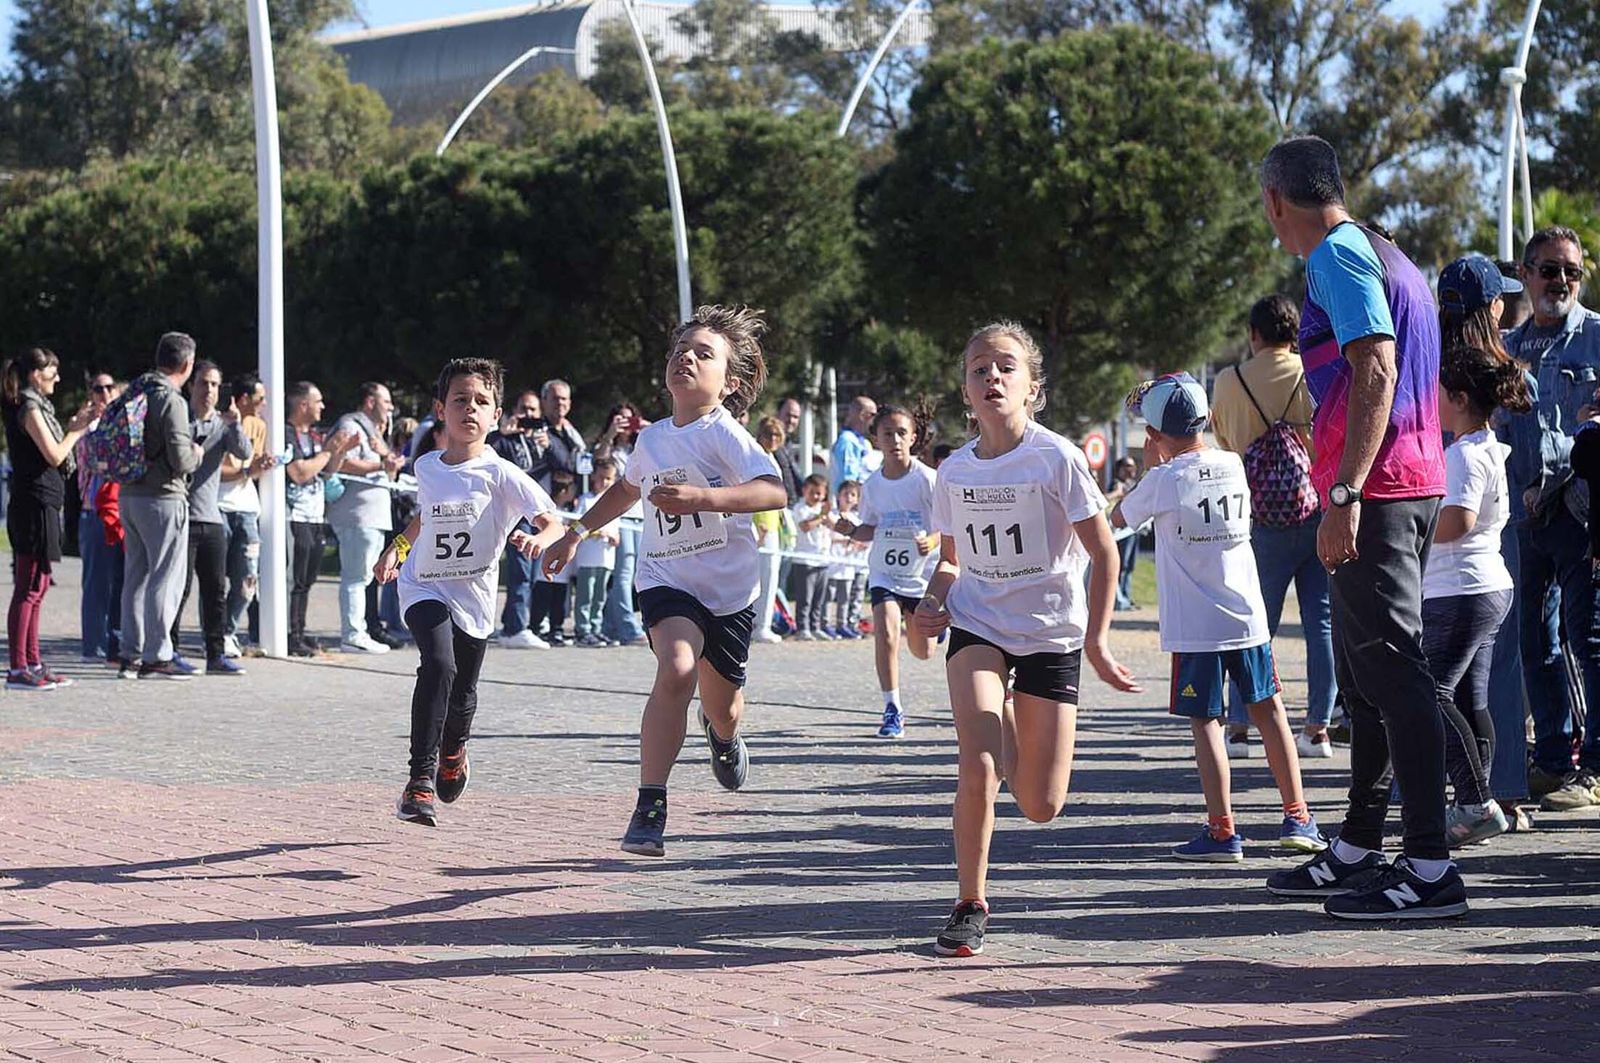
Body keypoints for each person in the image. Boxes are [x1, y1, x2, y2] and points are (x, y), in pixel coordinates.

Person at [1257, 135, 1464, 920]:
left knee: (1394, 674)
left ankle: (1431, 866)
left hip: (1376, 491)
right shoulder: (1381, 249)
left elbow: (1376, 364)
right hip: (1403, 482)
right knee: (1369, 676)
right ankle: (1358, 846)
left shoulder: (1338, 256)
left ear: (1278, 201)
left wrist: (1344, 490)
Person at [915, 321, 1139, 958]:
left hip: (1050, 635)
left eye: (1006, 367)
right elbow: (952, 564)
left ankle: (1012, 708)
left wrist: (1096, 642)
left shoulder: (1056, 458)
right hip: (979, 627)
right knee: (978, 761)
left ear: (1031, 387)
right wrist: (931, 604)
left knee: (1040, 804)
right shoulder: (953, 472)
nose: (992, 377)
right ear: (965, 388)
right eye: (980, 368)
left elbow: (1104, 553)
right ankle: (969, 902)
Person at [541, 304, 785, 858]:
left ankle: (721, 736)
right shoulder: (651, 440)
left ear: (730, 383)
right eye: (681, 350)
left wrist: (705, 498)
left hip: (730, 592)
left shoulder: (724, 433)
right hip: (666, 577)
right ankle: (650, 805)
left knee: (723, 704)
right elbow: (628, 490)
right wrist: (576, 531)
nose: (688, 359)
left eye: (705, 354)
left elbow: (773, 491)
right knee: (676, 669)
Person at [1112, 372, 1324, 861]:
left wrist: (1151, 470)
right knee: (1270, 712)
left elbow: (1118, 521)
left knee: (1207, 723)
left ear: (1155, 435)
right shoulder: (1233, 463)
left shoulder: (1162, 480)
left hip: (1195, 626)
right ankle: (1298, 816)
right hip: (1246, 615)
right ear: (1205, 419)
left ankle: (1223, 829)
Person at [374, 358, 565, 826]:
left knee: (462, 693)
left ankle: (454, 749)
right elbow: (427, 516)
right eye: (460, 399)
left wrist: (539, 540)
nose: (470, 409)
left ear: (496, 415)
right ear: (441, 408)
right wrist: (397, 548)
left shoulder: (502, 474)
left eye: (481, 401)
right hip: (424, 585)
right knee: (437, 664)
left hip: (474, 596)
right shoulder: (427, 465)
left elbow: (552, 521)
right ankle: (418, 783)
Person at [1211, 294, 1337, 760]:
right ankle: (1318, 728)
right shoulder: (1314, 372)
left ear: (1254, 334)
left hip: (1256, 516)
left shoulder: (1229, 381)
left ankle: (1241, 726)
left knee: (1251, 625)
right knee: (1320, 624)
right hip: (1317, 510)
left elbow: (1224, 441)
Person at [1503, 226, 1600, 812]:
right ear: (1525, 273)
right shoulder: (1509, 347)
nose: (1558, 281)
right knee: (1534, 641)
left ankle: (1593, 769)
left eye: (1569, 271)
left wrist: (1557, 475)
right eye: (1547, 269)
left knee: (1590, 643)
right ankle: (1553, 757)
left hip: (1585, 516)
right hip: (1522, 518)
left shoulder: (1596, 337)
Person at [1425, 343, 1530, 846]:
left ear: (1461, 398)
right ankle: (1476, 806)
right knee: (1468, 699)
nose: (1435, 402)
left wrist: (1415, 527)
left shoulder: (1464, 454)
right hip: (1486, 587)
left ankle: (1474, 803)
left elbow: (1458, 522)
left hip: (1461, 590)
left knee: (1430, 693)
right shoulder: (1486, 446)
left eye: (1441, 394)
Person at [833, 402, 940, 738]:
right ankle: (892, 708)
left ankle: (933, 631)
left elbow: (948, 527)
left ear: (913, 438)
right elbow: (871, 527)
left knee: (923, 651)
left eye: (901, 433)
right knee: (887, 633)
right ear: (876, 439)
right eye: (887, 434)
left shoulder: (927, 480)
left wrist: (933, 541)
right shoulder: (873, 484)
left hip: (921, 576)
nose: (894, 440)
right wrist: (850, 530)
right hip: (884, 572)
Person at [3, 348, 96, 690]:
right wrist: (77, 430)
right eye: (52, 373)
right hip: (32, 504)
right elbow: (55, 453)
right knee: (28, 587)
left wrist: (72, 427)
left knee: (39, 585)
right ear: (34, 375)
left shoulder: (37, 405)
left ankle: (33, 661)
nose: (58, 379)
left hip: (44, 502)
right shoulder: (27, 407)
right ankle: (17, 668)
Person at [120, 333, 202, 681]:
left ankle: (130, 654)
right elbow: (181, 459)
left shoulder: (135, 392)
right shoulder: (172, 401)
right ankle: (157, 655)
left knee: (135, 577)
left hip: (129, 494)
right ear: (187, 364)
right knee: (165, 577)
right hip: (163, 497)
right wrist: (198, 453)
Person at [170, 360, 252, 676]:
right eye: (203, 383)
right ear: (191, 385)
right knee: (180, 588)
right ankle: (170, 650)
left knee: (216, 589)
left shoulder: (223, 424)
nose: (209, 390)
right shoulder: (180, 421)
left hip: (211, 517)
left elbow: (244, 453)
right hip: (182, 516)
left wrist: (236, 423)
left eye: (215, 384)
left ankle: (215, 654)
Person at [328, 382, 404, 655]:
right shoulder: (351, 425)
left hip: (370, 516)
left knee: (362, 578)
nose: (391, 407)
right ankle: (352, 634)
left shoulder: (373, 432)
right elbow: (340, 462)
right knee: (356, 577)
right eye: (386, 401)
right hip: (356, 514)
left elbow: (387, 471)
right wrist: (383, 463)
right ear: (370, 401)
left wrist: (387, 462)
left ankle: (358, 632)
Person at [284, 380, 359, 657]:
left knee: (307, 579)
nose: (323, 407)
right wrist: (329, 451)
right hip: (294, 515)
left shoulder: (314, 436)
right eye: (318, 401)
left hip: (315, 515)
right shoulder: (286, 433)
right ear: (303, 404)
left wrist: (340, 451)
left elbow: (326, 473)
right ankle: (289, 633)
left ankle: (299, 632)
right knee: (294, 578)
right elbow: (300, 472)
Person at [487, 389, 548, 648]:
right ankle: (516, 628)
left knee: (532, 573)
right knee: (521, 571)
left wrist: (550, 445)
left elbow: (564, 465)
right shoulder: (503, 440)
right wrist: (503, 434)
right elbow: (487, 455)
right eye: (523, 409)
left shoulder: (541, 440)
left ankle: (512, 622)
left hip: (538, 513)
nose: (528, 415)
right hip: (515, 513)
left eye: (533, 410)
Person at [218, 375, 273, 655]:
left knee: (247, 577)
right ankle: (215, 634)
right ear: (242, 400)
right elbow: (218, 472)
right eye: (259, 399)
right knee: (216, 578)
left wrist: (262, 465)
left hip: (247, 508)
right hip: (218, 506)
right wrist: (248, 471)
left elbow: (253, 466)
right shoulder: (220, 424)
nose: (264, 404)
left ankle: (228, 631)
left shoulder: (259, 426)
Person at [76, 373, 121, 663]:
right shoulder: (87, 428)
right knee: (96, 583)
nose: (104, 393)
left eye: (109, 387)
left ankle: (116, 641)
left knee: (121, 581)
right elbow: (97, 459)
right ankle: (93, 645)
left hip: (122, 511)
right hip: (95, 511)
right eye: (98, 388)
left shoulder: (125, 424)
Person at [751, 416, 794, 643]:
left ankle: (764, 622)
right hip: (761, 524)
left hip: (774, 522)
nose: (774, 439)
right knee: (763, 576)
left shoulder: (773, 457)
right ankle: (759, 624)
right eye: (770, 435)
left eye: (778, 435)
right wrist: (757, 525)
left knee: (771, 576)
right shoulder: (757, 457)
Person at [571, 458, 621, 647]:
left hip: (606, 557)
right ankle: (582, 630)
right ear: (593, 476)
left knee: (600, 596)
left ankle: (596, 628)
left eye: (609, 479)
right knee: (586, 594)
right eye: (601, 478)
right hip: (588, 557)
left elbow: (616, 527)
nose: (605, 482)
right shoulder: (586, 500)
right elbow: (576, 525)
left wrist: (615, 536)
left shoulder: (614, 503)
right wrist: (599, 532)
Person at [528, 472, 578, 644]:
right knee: (541, 599)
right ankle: (535, 627)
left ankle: (556, 630)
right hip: (545, 567)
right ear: (564, 491)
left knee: (560, 601)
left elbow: (578, 525)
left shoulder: (571, 511)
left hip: (563, 570)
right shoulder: (548, 512)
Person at [789, 475, 833, 640]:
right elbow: (805, 526)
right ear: (804, 491)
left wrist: (826, 516)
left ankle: (815, 626)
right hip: (805, 560)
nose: (816, 497)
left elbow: (833, 525)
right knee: (805, 598)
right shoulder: (800, 508)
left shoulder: (823, 509)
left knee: (818, 598)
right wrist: (821, 516)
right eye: (812, 492)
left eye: (820, 493)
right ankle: (803, 627)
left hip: (823, 559)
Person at [825, 480, 867, 639]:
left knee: (846, 597)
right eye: (845, 494)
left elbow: (861, 537)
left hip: (849, 565)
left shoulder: (857, 518)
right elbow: (832, 533)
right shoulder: (833, 515)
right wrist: (846, 540)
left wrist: (857, 543)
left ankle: (844, 624)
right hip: (833, 562)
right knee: (830, 595)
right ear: (838, 496)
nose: (849, 498)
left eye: (853, 495)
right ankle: (826, 623)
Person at [1103, 456, 1142, 612]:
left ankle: (1126, 596)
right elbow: (1108, 498)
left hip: (1133, 530)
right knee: (1123, 565)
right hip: (1120, 531)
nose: (1131, 469)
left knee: (1130, 565)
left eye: (1132, 466)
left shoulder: (1131, 484)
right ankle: (1119, 599)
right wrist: (1117, 493)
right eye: (1127, 466)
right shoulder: (1116, 484)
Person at [830, 395, 877, 495]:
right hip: (854, 504)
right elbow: (848, 480)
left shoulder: (863, 442)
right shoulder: (848, 441)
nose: (875, 421)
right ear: (862, 415)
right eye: (873, 415)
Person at [592, 401, 649, 476]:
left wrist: (649, 430)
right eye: (622, 419)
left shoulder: (640, 446)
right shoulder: (606, 445)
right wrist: (610, 435)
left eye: (629, 419)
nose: (626, 422)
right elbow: (599, 460)